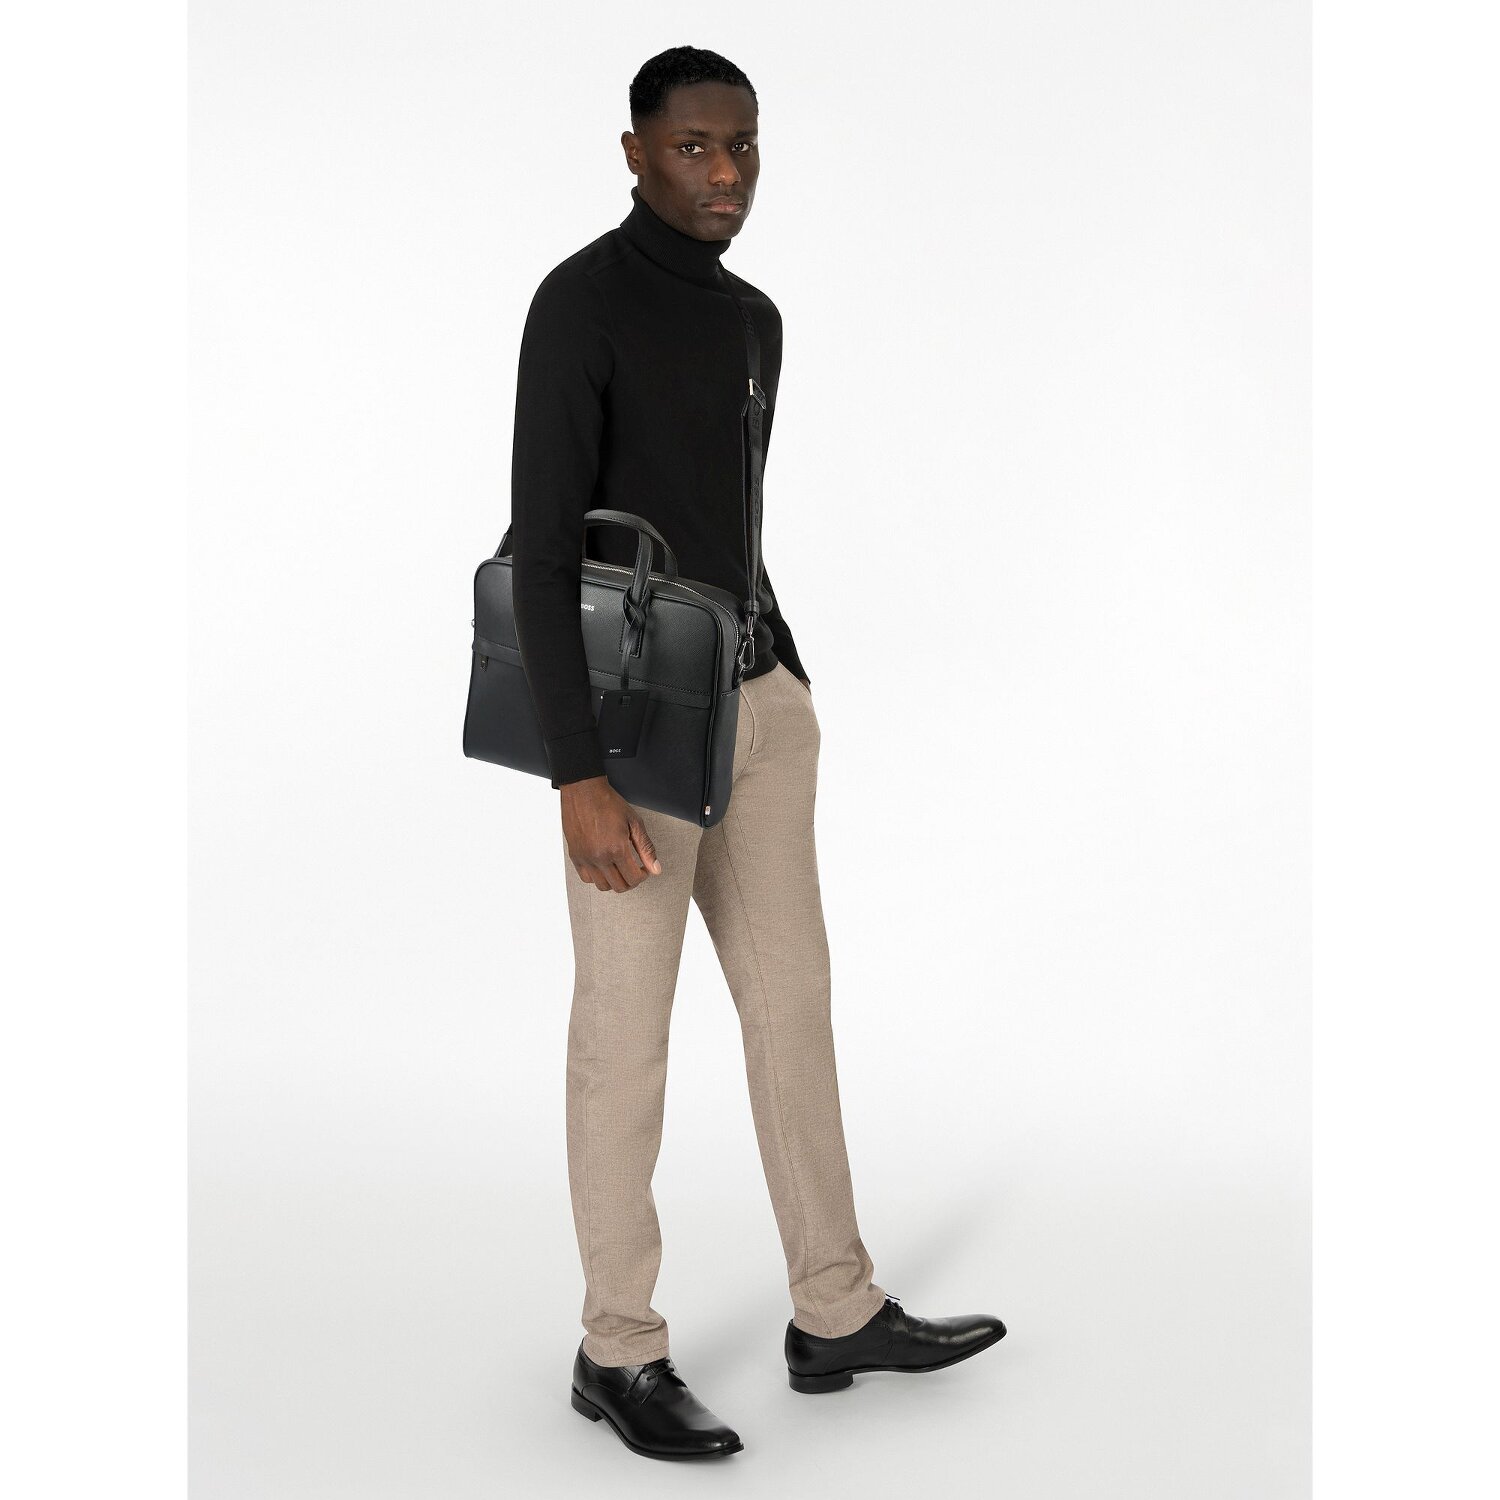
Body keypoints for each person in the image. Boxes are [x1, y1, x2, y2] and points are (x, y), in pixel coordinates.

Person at [508, 45, 1006, 1462]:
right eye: (693, 148)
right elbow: (542, 552)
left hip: (759, 702)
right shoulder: (580, 304)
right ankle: (617, 1349)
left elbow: (722, 521)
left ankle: (833, 1310)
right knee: (626, 1039)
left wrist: (779, 670)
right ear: (633, 152)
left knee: (794, 1008)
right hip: (630, 736)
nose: (724, 174)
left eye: (743, 147)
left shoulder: (754, 320)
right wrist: (578, 775)